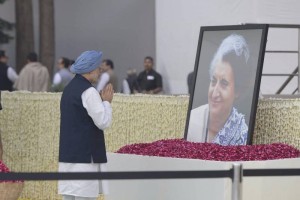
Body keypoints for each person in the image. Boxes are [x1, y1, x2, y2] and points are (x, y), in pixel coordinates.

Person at [58, 50, 114, 200]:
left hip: (67, 157)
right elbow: (103, 122)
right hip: (84, 159)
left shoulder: (68, 89)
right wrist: (107, 103)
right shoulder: (89, 92)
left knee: (68, 196)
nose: (99, 72)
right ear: (90, 69)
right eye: (98, 69)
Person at [187, 34, 250, 145]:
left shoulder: (242, 136)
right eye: (213, 81)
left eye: (224, 83)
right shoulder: (193, 120)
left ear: (237, 91)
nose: (215, 93)